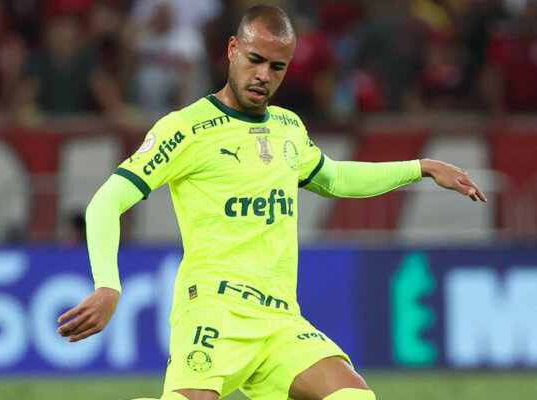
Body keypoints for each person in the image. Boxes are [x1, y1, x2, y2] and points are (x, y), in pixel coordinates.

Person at [57, 5, 486, 400]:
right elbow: (106, 202)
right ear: (232, 50)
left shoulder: (287, 128)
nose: (264, 74)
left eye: (277, 67)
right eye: (255, 60)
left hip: (279, 319)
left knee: (354, 396)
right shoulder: (186, 128)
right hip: (214, 310)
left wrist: (420, 167)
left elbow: (334, 177)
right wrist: (108, 285)